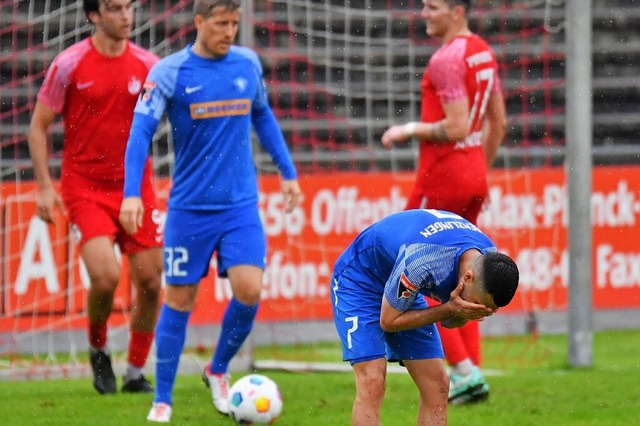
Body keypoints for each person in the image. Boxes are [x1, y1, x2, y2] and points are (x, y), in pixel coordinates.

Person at [118, 0, 301, 422]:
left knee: (250, 289)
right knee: (179, 300)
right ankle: (162, 398)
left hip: (239, 207)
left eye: (235, 24)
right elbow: (140, 132)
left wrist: (288, 172)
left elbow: (263, 116)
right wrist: (132, 193)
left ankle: (217, 368)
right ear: (199, 22)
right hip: (189, 210)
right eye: (221, 23)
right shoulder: (170, 72)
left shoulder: (247, 64)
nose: (229, 32)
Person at [27, 0, 163, 395]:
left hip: (136, 187)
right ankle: (98, 347)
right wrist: (43, 185)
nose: (126, 16)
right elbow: (38, 127)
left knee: (152, 282)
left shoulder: (149, 65)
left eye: (129, 7)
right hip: (85, 187)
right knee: (105, 275)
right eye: (116, 8)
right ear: (94, 15)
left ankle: (136, 372)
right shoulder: (68, 64)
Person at [381, 0, 508, 405]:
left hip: (443, 174)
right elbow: (498, 123)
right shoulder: (482, 51)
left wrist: (406, 129)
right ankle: (473, 367)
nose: (423, 13)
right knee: (468, 270)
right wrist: (476, 170)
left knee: (415, 268)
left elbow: (454, 127)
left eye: (432, 6)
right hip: (473, 172)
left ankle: (463, 372)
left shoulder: (445, 59)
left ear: (457, 10)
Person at [330, 208, 519, 425]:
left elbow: (450, 322)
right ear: (467, 277)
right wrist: (450, 308)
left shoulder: (487, 261)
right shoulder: (423, 261)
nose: (475, 309)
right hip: (360, 281)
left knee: (437, 384)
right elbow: (389, 321)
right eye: (476, 304)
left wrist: (458, 311)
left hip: (401, 284)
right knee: (372, 381)